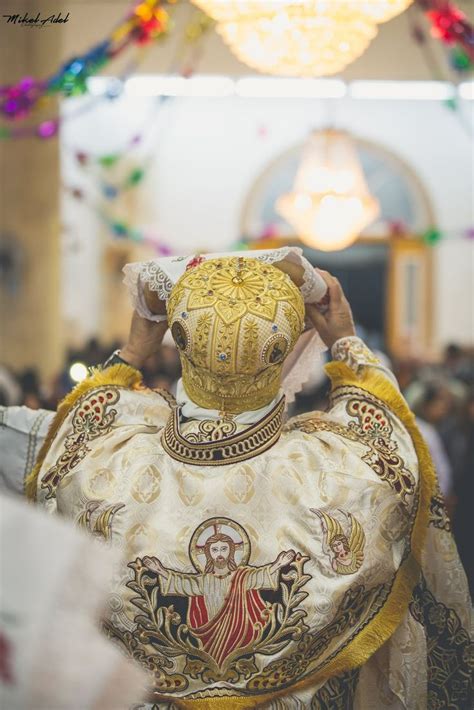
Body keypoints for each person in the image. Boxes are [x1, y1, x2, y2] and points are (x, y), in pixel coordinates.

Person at [15, 250, 473, 707]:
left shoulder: (105, 464)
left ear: (180, 344)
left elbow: (75, 433)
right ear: (285, 348)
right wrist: (346, 341)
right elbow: (389, 448)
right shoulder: (337, 469)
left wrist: (132, 354)